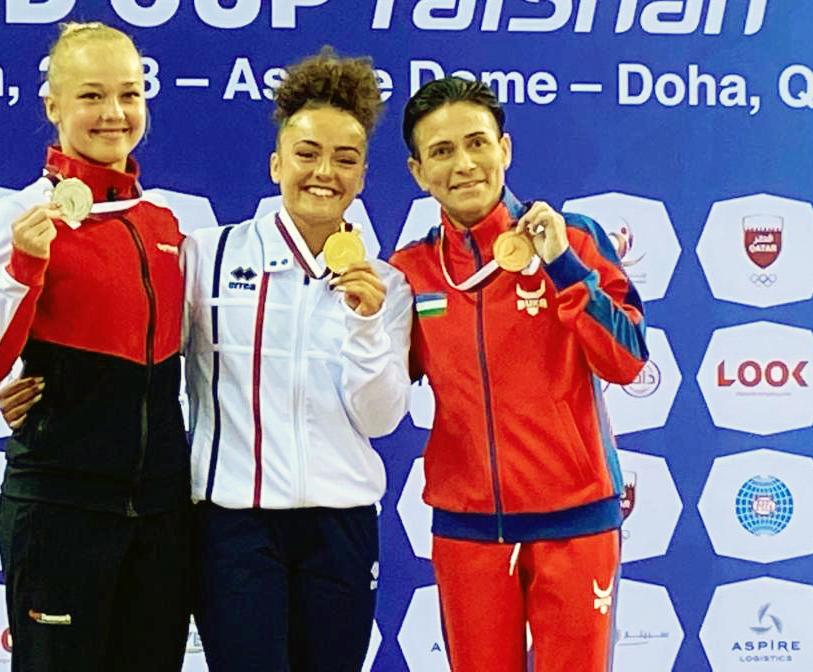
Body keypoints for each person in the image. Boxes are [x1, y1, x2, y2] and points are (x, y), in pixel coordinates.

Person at [389, 76, 649, 672]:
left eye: (477, 143)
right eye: (442, 151)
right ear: (417, 171)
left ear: (505, 150)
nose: (464, 164)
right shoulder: (412, 271)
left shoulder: (574, 239)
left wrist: (561, 266)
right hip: (468, 528)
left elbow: (628, 358)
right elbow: (375, 388)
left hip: (576, 520)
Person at [0, 22, 191, 672]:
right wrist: (24, 269)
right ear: (53, 106)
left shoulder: (164, 225)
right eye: (91, 95)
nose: (113, 113)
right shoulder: (21, 215)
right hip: (62, 510)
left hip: (161, 513)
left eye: (129, 93)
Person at [183, 48, 412, 671]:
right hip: (235, 529)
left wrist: (365, 325)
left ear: (363, 174)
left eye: (346, 158)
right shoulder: (207, 255)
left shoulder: (387, 285)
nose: (324, 172)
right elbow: (136, 350)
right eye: (307, 153)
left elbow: (383, 419)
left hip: (342, 529)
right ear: (276, 162)